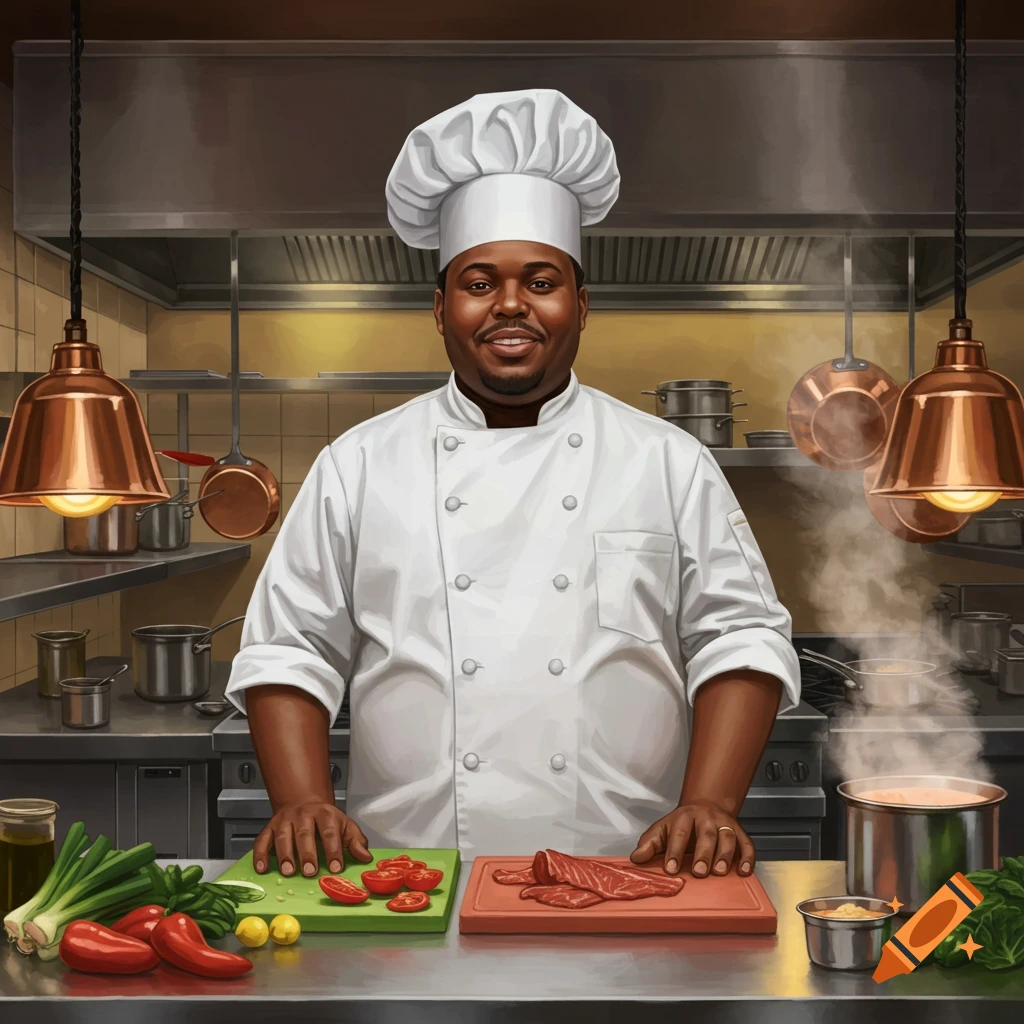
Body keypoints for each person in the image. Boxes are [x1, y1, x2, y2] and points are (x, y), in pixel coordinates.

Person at [224, 89, 800, 883]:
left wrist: (711, 801)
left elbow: (739, 636)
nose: (510, 306)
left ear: (582, 303)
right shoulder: (359, 464)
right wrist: (299, 799)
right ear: (439, 307)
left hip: (630, 867)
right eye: (478, 281)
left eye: (540, 280)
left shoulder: (665, 460)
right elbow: (290, 648)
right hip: (412, 877)